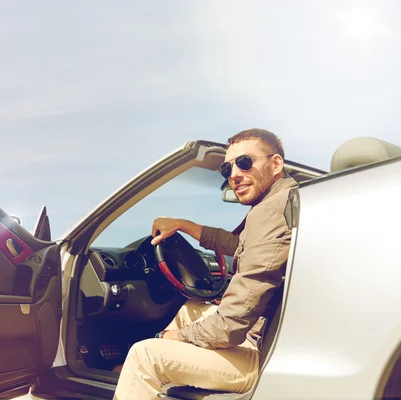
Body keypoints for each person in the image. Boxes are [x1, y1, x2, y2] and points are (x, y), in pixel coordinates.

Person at [113, 129, 298, 399]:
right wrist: (184, 226)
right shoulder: (281, 202)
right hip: (263, 334)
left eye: (245, 162)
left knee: (143, 355)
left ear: (276, 164)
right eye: (227, 168)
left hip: (259, 353)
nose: (234, 174)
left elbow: (230, 326)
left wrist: (172, 338)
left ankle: (144, 376)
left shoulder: (273, 211)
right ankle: (155, 383)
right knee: (191, 309)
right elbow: (239, 246)